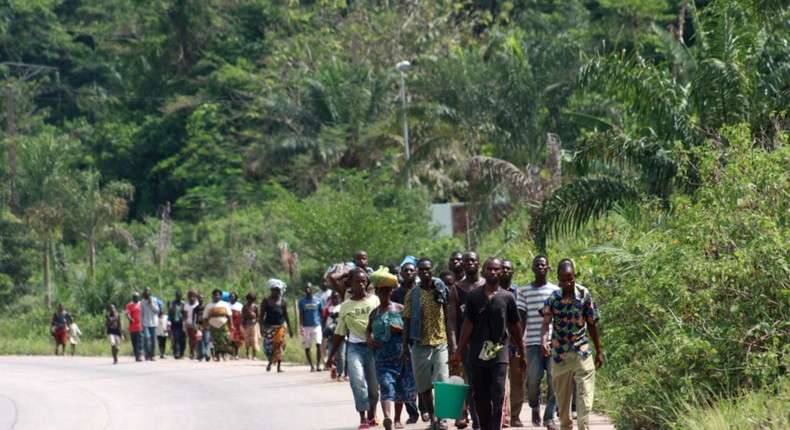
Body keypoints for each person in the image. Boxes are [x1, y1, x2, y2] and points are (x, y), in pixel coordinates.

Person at [449, 258, 526, 430]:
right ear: (483, 273)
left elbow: (515, 326)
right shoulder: (474, 296)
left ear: (500, 272)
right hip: (477, 354)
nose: (493, 272)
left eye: (496, 269)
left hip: (500, 352)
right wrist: (458, 352)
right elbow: (468, 324)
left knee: (498, 392)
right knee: (481, 398)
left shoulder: (507, 297)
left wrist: (522, 352)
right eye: (489, 269)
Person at [541, 260, 603, 430]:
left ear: (575, 276)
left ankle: (584, 426)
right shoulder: (553, 299)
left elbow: (591, 324)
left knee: (584, 396)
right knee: (563, 403)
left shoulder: (584, 295)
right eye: (564, 280)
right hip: (560, 355)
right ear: (559, 280)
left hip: (581, 351)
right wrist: (543, 341)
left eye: (571, 279)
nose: (568, 283)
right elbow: (546, 324)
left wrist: (599, 351)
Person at [326, 268, 380, 430]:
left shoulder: (375, 300)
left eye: (364, 281)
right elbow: (340, 332)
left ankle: (372, 415)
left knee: (373, 385)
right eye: (358, 281)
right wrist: (331, 355)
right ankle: (363, 417)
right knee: (357, 382)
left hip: (373, 348)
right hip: (355, 348)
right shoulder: (346, 305)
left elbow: (381, 323)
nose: (361, 284)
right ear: (350, 284)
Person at [402, 258, 451, 430]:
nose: (425, 272)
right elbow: (406, 321)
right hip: (419, 344)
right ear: (417, 272)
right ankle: (432, 420)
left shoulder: (442, 289)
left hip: (440, 342)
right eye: (421, 269)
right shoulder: (412, 294)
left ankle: (443, 418)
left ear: (432, 270)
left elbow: (448, 317)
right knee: (424, 386)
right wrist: (404, 348)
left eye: (428, 269)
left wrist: (452, 344)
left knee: (442, 381)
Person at [366, 270, 418, 430]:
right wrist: (368, 338)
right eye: (380, 291)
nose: (383, 293)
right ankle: (387, 418)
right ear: (376, 292)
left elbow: (412, 329)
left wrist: (400, 330)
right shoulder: (374, 313)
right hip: (382, 357)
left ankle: (397, 419)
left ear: (391, 291)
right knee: (387, 385)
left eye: (386, 290)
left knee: (400, 387)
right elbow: (368, 329)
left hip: (402, 354)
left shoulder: (401, 308)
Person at [517, 255, 559, 429]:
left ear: (548, 268)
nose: (541, 268)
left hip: (553, 342)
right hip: (532, 343)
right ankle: (534, 406)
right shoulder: (523, 291)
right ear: (533, 269)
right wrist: (520, 342)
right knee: (533, 379)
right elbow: (521, 319)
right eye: (537, 265)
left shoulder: (556, 291)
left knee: (553, 379)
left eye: (544, 265)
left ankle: (549, 418)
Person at [448, 251, 486, 429]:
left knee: (486, 384)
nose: (470, 263)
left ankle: (488, 418)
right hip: (467, 345)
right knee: (471, 384)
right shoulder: (456, 289)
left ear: (479, 264)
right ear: (462, 265)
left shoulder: (487, 286)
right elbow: (453, 321)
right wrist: (456, 347)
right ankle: (476, 421)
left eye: (473, 260)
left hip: (487, 345)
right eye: (467, 261)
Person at [500, 259, 524, 427]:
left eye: (509, 269)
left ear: (513, 272)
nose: (505, 271)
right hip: (498, 344)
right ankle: (504, 417)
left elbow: (522, 317)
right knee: (500, 381)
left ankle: (514, 416)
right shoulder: (492, 292)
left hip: (516, 343)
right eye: (503, 269)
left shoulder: (519, 292)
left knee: (516, 381)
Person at [260, 279, 294, 372]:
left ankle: (279, 367)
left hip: (280, 327)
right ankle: (270, 362)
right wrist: (261, 328)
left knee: (280, 345)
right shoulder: (266, 301)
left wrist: (290, 329)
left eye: (278, 290)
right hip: (269, 327)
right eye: (275, 290)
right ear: (271, 290)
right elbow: (261, 316)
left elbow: (286, 316)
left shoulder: (283, 302)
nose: (277, 292)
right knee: (268, 348)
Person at [203, 289, 233, 361]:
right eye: (215, 295)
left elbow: (229, 316)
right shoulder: (209, 306)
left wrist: (231, 325)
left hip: (223, 325)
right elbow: (205, 317)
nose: (217, 296)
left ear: (220, 296)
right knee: (215, 341)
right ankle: (217, 356)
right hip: (213, 326)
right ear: (213, 296)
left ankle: (224, 354)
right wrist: (205, 326)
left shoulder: (225, 304)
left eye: (218, 295)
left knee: (225, 340)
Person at [299, 283, 324, 372]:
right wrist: (301, 326)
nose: (307, 290)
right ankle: (311, 366)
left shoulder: (318, 300)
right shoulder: (302, 302)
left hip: (317, 325)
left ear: (312, 289)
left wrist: (322, 324)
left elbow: (321, 313)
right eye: (306, 288)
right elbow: (301, 315)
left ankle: (318, 365)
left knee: (318, 344)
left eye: (309, 288)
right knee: (307, 346)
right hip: (306, 326)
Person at [323, 291, 346, 381]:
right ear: (330, 299)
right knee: (331, 355)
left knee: (341, 355)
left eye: (337, 298)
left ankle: (341, 374)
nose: (335, 299)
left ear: (340, 298)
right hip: (331, 335)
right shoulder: (328, 309)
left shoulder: (342, 307)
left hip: (341, 335)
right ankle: (333, 371)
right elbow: (324, 320)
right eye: (333, 298)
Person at [140, 287, 160, 361]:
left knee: (153, 340)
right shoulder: (142, 302)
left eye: (148, 291)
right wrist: (141, 325)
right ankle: (147, 353)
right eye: (146, 291)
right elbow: (141, 314)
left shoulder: (154, 300)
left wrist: (151, 304)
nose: (147, 292)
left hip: (153, 323)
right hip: (145, 323)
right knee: (146, 338)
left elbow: (157, 310)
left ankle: (152, 354)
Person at [242, 292, 261, 360]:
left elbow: (258, 316)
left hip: (254, 325)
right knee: (247, 340)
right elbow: (243, 316)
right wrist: (243, 324)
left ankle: (254, 355)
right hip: (247, 325)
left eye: (252, 299)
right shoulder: (245, 307)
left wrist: (258, 323)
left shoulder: (255, 307)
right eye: (250, 299)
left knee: (254, 340)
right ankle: (247, 353)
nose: (251, 301)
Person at [125, 292, 143, 362]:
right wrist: (130, 319)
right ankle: (136, 356)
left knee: (140, 342)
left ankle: (140, 356)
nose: (135, 298)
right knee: (134, 342)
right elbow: (127, 313)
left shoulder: (141, 304)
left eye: (136, 297)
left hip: (140, 327)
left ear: (139, 298)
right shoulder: (129, 305)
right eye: (134, 297)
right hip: (132, 327)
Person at [168, 290, 186, 359]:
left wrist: (184, 323)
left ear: (181, 296)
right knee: (176, 338)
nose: (178, 297)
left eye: (179, 295)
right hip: (174, 323)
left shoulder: (183, 303)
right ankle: (177, 353)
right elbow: (170, 311)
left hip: (182, 323)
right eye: (177, 295)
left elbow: (185, 314)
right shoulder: (172, 303)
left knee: (182, 339)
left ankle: (182, 353)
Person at [184, 291, 200, 360]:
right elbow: (185, 316)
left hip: (196, 323)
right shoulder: (186, 305)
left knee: (197, 339)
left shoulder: (198, 304)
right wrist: (183, 324)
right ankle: (191, 353)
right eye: (190, 296)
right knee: (191, 339)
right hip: (189, 323)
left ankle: (197, 353)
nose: (192, 297)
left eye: (193, 295)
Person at [195, 294, 211, 362]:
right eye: (199, 298)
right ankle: (201, 355)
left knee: (207, 341)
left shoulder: (206, 308)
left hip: (206, 326)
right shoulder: (195, 309)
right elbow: (194, 318)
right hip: (199, 326)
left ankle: (207, 354)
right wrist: (195, 327)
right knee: (199, 341)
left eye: (202, 298)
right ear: (198, 299)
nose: (201, 300)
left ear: (204, 299)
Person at [229, 292, 245, 359]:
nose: (232, 298)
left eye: (233, 296)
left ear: (236, 298)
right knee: (231, 339)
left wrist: (241, 324)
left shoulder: (239, 305)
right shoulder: (227, 305)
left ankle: (236, 354)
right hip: (230, 324)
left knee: (237, 340)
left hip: (237, 324)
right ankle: (232, 354)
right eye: (231, 296)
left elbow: (242, 316)